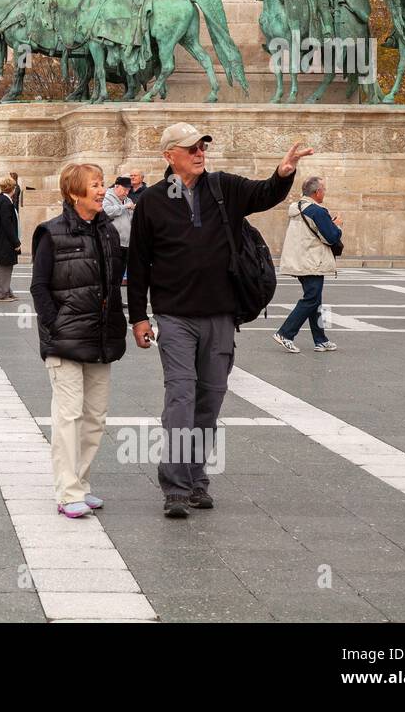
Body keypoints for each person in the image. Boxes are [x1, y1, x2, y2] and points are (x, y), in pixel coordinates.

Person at [128, 123, 311, 519]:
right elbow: (138, 262)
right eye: (190, 147)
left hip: (220, 315)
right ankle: (175, 487)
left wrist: (284, 171)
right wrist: (138, 317)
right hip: (174, 316)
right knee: (180, 398)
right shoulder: (153, 202)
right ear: (169, 156)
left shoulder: (223, 188)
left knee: (209, 400)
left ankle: (196, 480)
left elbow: (265, 194)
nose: (199, 152)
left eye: (202, 146)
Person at [30, 163, 126, 518]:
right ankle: (67, 490)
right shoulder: (51, 233)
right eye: (95, 185)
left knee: (95, 417)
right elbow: (39, 286)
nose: (103, 190)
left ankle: (81, 484)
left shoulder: (108, 232)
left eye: (103, 184)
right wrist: (54, 326)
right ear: (74, 193)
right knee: (68, 416)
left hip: (100, 338)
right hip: (65, 339)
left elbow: (114, 285)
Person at [273, 176, 343, 353]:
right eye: (324, 190)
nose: (324, 192)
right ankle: (285, 333)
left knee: (315, 300)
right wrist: (337, 226)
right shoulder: (317, 211)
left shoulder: (297, 208)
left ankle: (321, 339)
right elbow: (331, 236)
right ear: (317, 192)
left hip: (301, 260)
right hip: (313, 261)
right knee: (311, 299)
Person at [0, 177, 22, 302]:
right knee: (5, 266)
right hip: (5, 241)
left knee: (5, 266)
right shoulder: (6, 203)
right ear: (12, 189)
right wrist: (16, 242)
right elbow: (8, 225)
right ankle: (1, 293)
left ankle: (7, 290)